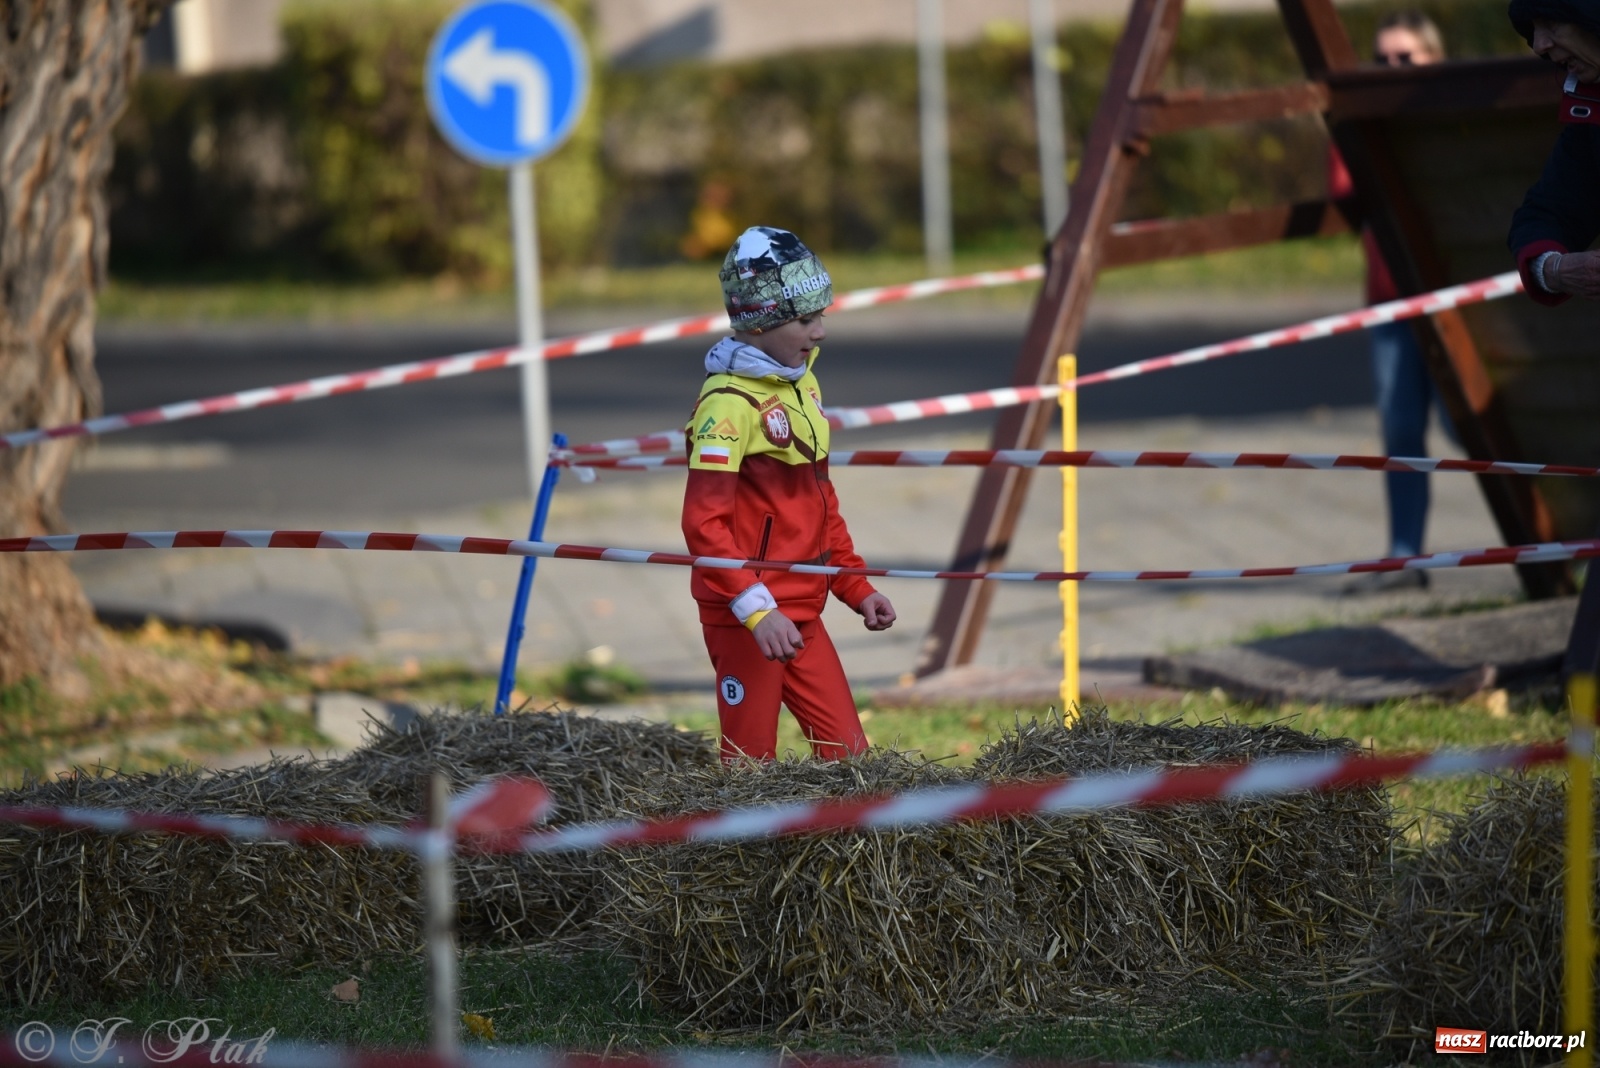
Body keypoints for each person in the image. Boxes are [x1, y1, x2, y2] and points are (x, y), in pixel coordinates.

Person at [681, 225, 896, 762]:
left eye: (821, 316)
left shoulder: (803, 383)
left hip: (803, 609)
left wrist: (855, 587)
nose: (820, 332)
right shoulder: (727, 404)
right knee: (749, 765)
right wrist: (756, 610)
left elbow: (821, 506)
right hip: (748, 619)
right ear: (760, 321)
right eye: (805, 319)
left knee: (850, 759)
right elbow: (703, 524)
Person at [1329, 12, 1449, 594]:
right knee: (1400, 429)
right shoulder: (1360, 119)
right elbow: (1343, 186)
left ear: (1434, 59)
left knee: (1475, 427)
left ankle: (1560, 540)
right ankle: (1405, 555)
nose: (1392, 68)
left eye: (1406, 57)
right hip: (1389, 300)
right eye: (1382, 59)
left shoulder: (1452, 114)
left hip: (1455, 297)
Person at [1508, 0, 1600, 305]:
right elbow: (1548, 212)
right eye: (1534, 29)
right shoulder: (1591, 116)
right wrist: (1554, 269)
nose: (1539, 45)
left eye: (1552, 23)